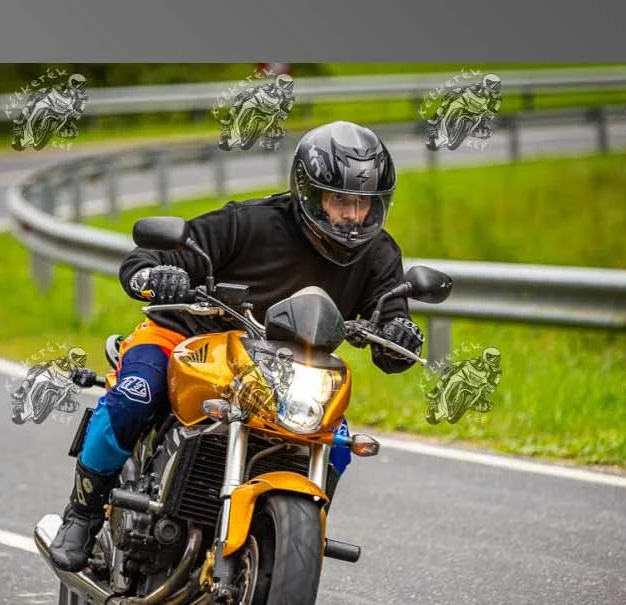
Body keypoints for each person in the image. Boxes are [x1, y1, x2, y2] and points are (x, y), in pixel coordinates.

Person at [48, 120, 426, 572]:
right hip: (186, 338)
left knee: (337, 440)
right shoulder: (248, 223)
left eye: (363, 204)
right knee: (136, 396)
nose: (352, 215)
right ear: (308, 193)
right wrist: (158, 275)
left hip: (286, 367)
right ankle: (83, 514)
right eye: (340, 200)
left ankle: (283, 540)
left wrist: (399, 332)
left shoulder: (380, 254)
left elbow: (390, 321)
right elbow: (146, 258)